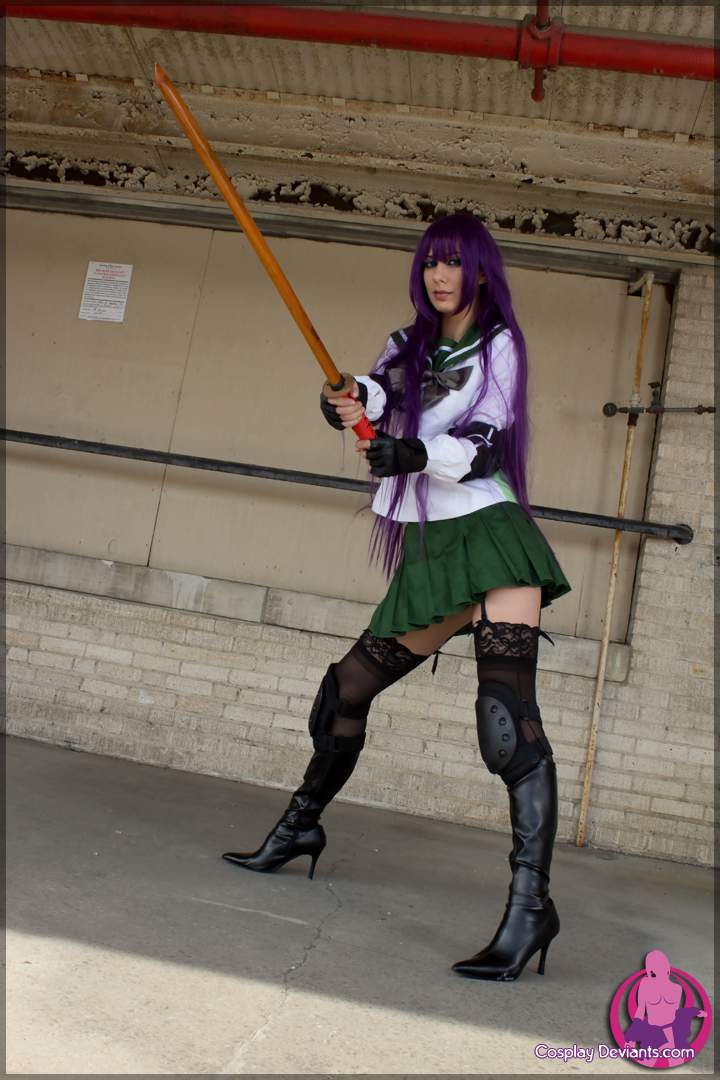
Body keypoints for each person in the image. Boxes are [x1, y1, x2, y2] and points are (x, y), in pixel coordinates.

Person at [223, 212, 572, 982]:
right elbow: (376, 397)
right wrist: (349, 402)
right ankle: (300, 828)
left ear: (479, 270)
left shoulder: (500, 344)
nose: (440, 276)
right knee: (345, 690)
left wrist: (412, 450)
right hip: (432, 548)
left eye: (454, 263)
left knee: (507, 724)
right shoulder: (406, 345)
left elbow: (487, 437)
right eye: (430, 264)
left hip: (490, 534)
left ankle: (530, 908)